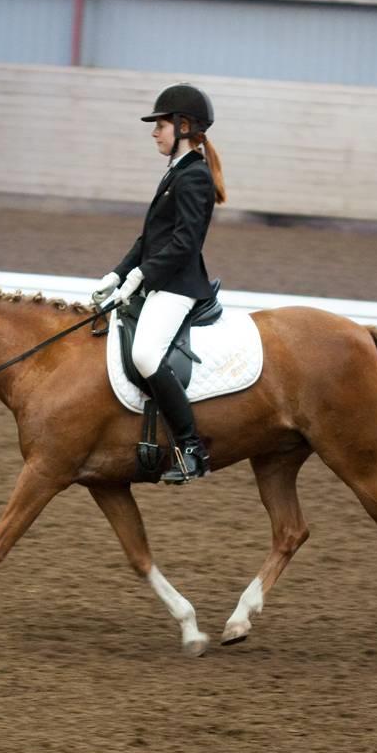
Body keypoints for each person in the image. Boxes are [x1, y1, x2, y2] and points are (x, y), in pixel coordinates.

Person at [92, 83, 227, 484]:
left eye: (161, 125)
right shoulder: (176, 171)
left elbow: (185, 243)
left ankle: (190, 448)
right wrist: (117, 273)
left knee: (147, 355)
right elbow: (150, 238)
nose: (154, 132)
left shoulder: (194, 177)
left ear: (183, 127)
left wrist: (142, 275)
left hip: (179, 286)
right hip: (158, 280)